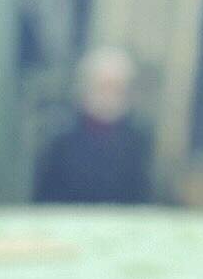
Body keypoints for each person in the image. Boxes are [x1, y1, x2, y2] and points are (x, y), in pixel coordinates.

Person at [34, 47, 154, 205]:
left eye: (117, 88)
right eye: (103, 86)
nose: (109, 96)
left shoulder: (138, 141)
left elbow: (141, 199)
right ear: (85, 86)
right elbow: (43, 201)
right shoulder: (60, 140)